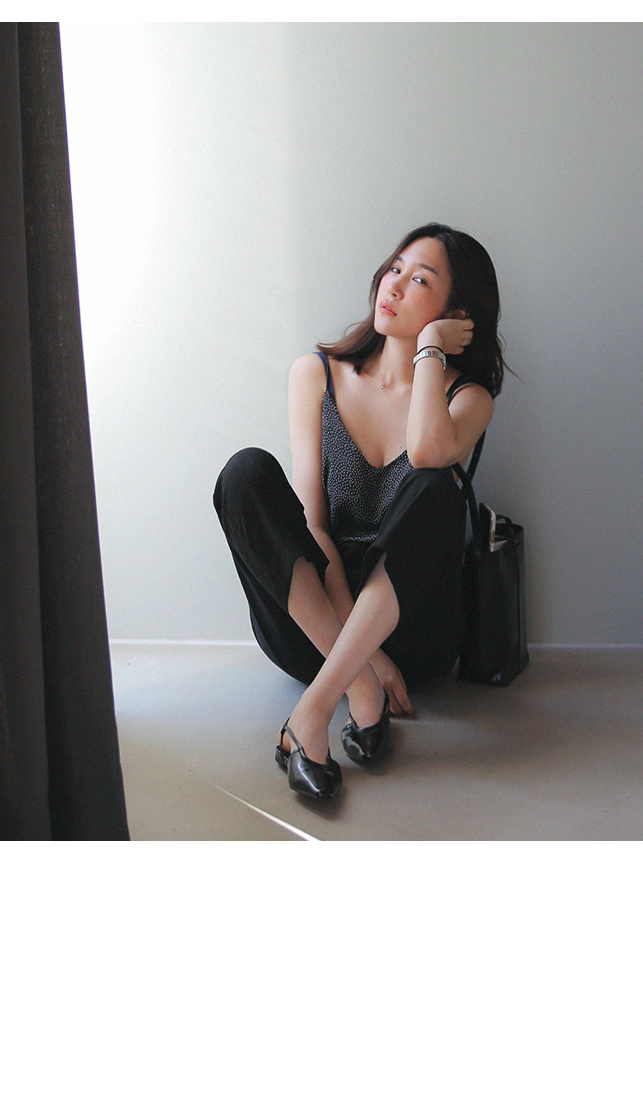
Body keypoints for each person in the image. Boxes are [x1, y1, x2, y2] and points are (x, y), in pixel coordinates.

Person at [214, 225, 501, 810]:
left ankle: (312, 713)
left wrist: (429, 350)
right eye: (395, 268)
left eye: (420, 280)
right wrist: (367, 663)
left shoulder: (467, 399)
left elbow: (428, 453)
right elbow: (314, 523)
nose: (393, 285)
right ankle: (356, 689)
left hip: (414, 639)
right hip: (316, 627)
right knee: (244, 473)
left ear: (457, 315)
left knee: (435, 487)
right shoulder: (316, 374)